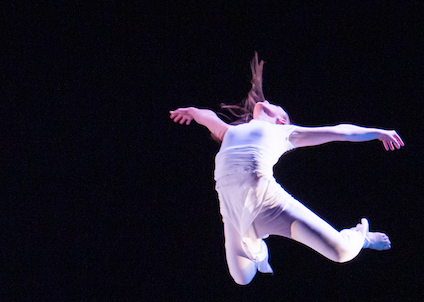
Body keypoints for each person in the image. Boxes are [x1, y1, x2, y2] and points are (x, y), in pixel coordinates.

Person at [170, 54, 404, 285]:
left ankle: (363, 237)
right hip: (233, 211)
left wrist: (378, 133)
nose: (268, 102)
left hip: (270, 204)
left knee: (341, 253)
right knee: (242, 278)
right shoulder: (231, 132)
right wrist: (193, 112)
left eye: (276, 107)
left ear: (281, 121)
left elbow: (340, 131)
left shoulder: (284, 132)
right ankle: (257, 245)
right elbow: (208, 117)